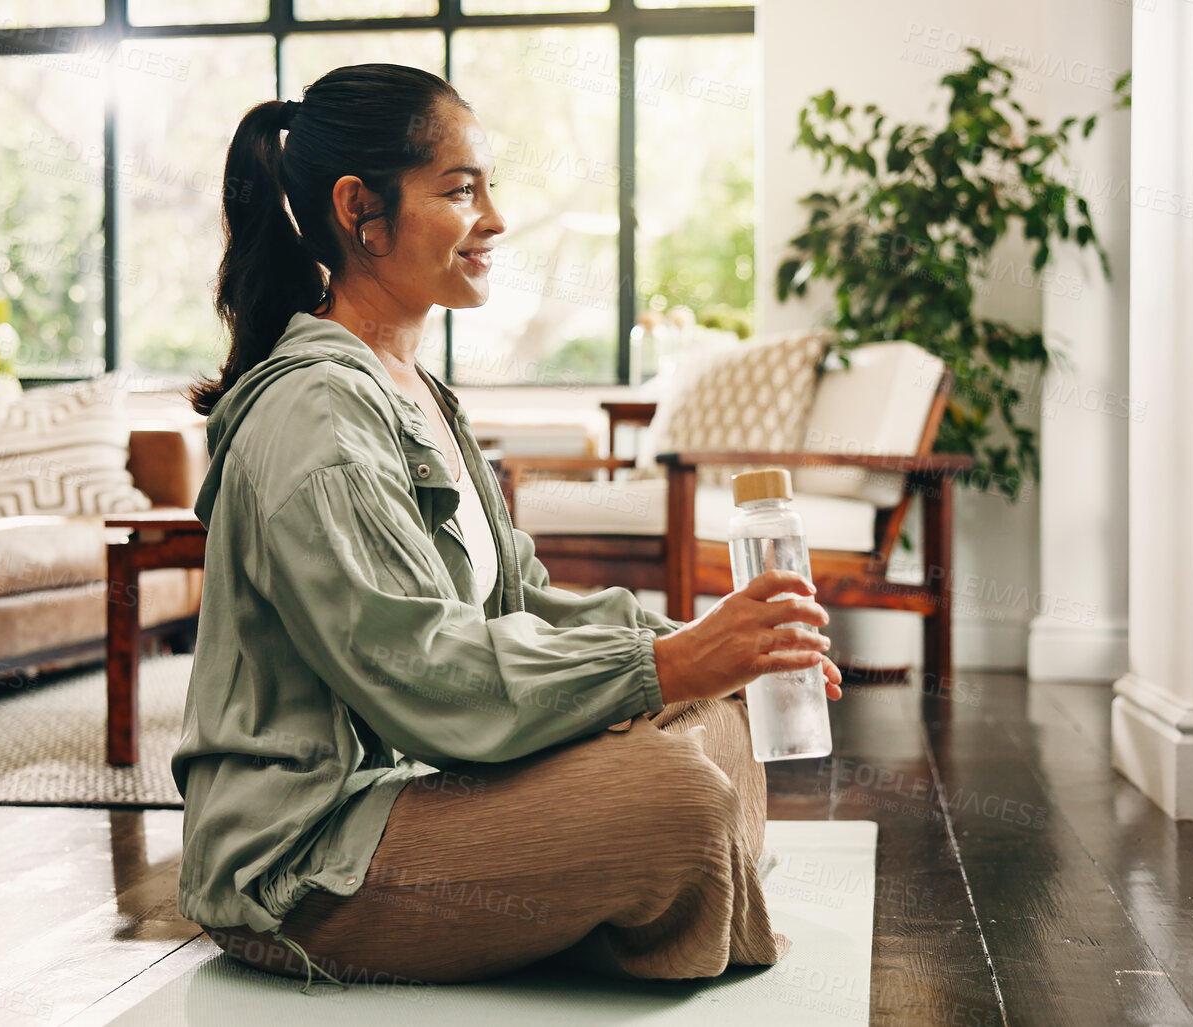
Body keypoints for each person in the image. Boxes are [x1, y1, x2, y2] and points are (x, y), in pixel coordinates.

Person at [172, 63, 844, 991]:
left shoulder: (421, 397)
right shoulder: (316, 418)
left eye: (489, 186)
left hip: (432, 781)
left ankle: (605, 903)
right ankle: (626, 898)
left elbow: (522, 601)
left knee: (719, 717)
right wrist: (667, 666)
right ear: (360, 210)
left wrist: (708, 647)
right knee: (678, 797)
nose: (494, 219)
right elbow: (423, 674)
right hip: (313, 856)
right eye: (460, 189)